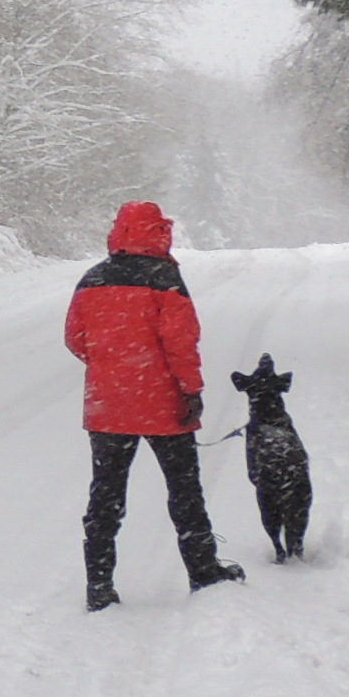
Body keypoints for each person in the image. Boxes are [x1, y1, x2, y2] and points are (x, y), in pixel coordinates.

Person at [65, 199, 245, 612]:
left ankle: (99, 586)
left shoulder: (92, 278)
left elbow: (75, 338)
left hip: (107, 405)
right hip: (163, 402)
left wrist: (111, 367)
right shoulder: (165, 279)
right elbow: (181, 343)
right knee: (184, 491)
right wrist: (191, 391)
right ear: (159, 232)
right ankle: (203, 570)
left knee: (106, 494)